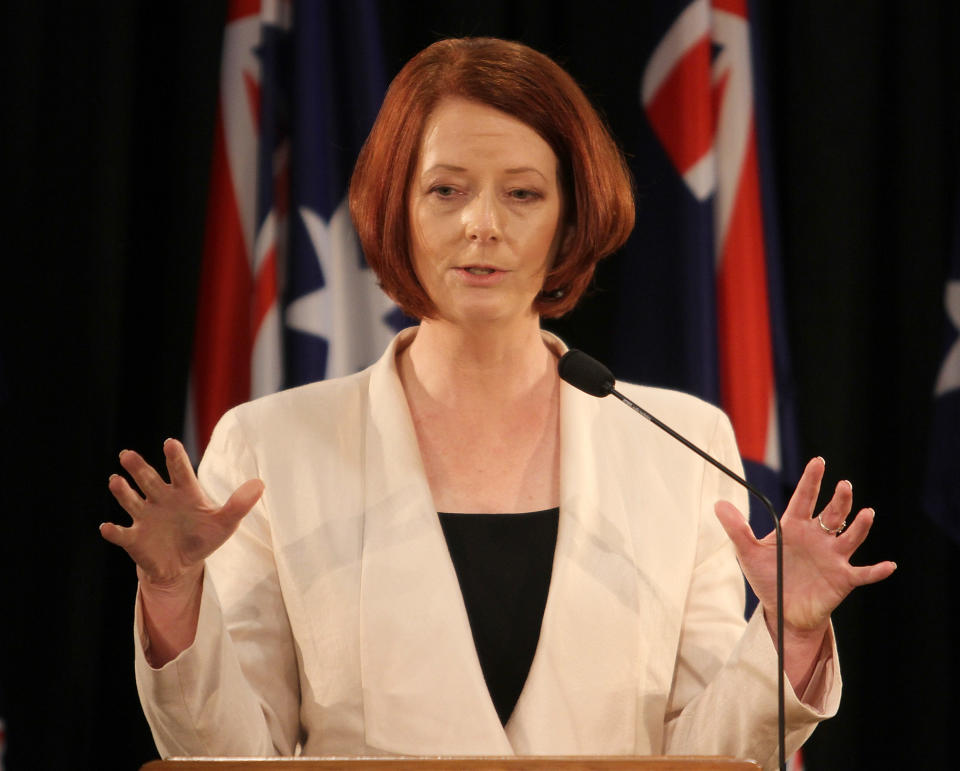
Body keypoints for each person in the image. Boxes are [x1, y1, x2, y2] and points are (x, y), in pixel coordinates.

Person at [101, 37, 895, 769]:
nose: (483, 224)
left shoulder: (682, 444)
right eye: (446, 190)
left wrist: (789, 636)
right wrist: (175, 601)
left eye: (522, 193)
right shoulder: (271, 446)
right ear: (395, 208)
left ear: (569, 218)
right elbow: (232, 756)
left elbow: (709, 755)